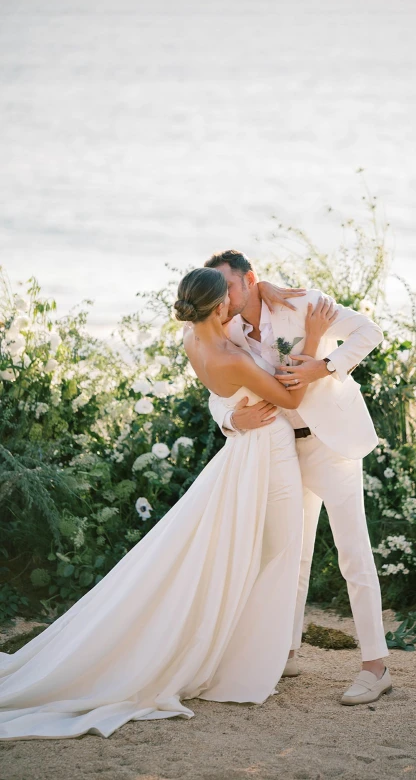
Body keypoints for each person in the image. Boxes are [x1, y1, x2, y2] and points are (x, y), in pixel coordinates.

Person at [0, 267, 337, 740]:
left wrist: (263, 290)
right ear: (220, 307)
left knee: (246, 551)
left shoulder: (193, 339)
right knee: (278, 550)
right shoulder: (228, 356)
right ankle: (251, 660)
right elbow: (290, 393)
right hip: (269, 452)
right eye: (231, 301)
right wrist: (317, 335)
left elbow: (225, 391)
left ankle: (250, 649)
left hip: (246, 448)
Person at [205, 250, 393, 706]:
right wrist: (232, 420)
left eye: (228, 286)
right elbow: (216, 390)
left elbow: (370, 331)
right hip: (283, 451)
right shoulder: (224, 331)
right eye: (216, 290)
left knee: (352, 551)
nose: (222, 298)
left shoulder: (302, 303)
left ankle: (376, 666)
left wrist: (326, 365)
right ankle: (287, 650)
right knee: (294, 551)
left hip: (331, 443)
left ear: (251, 280)